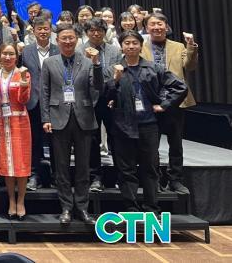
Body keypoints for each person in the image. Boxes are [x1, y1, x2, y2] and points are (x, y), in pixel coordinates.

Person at [107, 30, 188, 213]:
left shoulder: (153, 68)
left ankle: (151, 207)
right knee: (126, 170)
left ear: (141, 45)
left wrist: (164, 105)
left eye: (134, 43)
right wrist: (115, 81)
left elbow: (180, 87)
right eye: (127, 43)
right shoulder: (113, 69)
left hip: (148, 125)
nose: (131, 46)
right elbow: (104, 95)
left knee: (150, 168)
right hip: (122, 126)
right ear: (121, 47)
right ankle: (131, 208)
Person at [41, 24, 103, 226]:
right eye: (64, 38)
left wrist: (97, 64)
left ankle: (83, 208)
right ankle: (66, 208)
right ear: (57, 40)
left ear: (77, 40)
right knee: (61, 167)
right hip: (58, 118)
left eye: (71, 38)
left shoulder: (87, 61)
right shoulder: (49, 62)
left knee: (83, 167)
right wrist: (46, 118)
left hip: (84, 118)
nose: (67, 41)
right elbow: (44, 92)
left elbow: (98, 87)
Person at [141, 12, 199, 194]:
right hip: (150, 102)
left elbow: (190, 66)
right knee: (151, 145)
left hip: (175, 100)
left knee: (176, 144)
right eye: (152, 24)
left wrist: (191, 46)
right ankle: (155, 180)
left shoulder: (178, 46)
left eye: (160, 24)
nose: (156, 27)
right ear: (147, 28)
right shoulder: (140, 46)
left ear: (166, 27)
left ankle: (175, 179)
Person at [77, 17, 122, 192]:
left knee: (115, 138)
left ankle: (120, 176)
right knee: (92, 140)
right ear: (86, 32)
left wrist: (105, 83)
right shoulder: (79, 50)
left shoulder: (114, 50)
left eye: (100, 30)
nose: (96, 33)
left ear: (105, 32)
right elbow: (80, 75)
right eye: (92, 30)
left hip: (110, 98)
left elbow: (115, 73)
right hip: (89, 100)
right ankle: (95, 177)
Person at [0, 43, 31, 220]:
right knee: (7, 164)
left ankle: (21, 201)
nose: (7, 57)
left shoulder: (23, 73)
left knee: (20, 162)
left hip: (19, 122)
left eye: (11, 54)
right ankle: (11, 200)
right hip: (0, 123)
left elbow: (24, 100)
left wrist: (24, 82)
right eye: (4, 53)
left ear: (16, 57)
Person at [20, 16, 59, 191]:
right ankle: (34, 175)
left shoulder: (58, 49)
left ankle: (57, 176)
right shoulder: (25, 51)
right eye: (39, 29)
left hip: (55, 101)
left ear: (51, 30)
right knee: (34, 141)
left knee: (56, 142)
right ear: (33, 31)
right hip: (33, 102)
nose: (43, 31)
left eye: (46, 28)